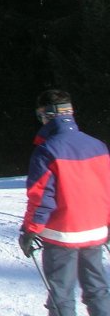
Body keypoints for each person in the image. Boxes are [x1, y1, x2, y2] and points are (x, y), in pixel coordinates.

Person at [19, 89, 110, 316]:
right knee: (97, 288)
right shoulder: (98, 146)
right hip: (94, 230)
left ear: (45, 116)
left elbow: (41, 198)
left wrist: (30, 230)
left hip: (62, 233)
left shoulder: (47, 151)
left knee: (61, 293)